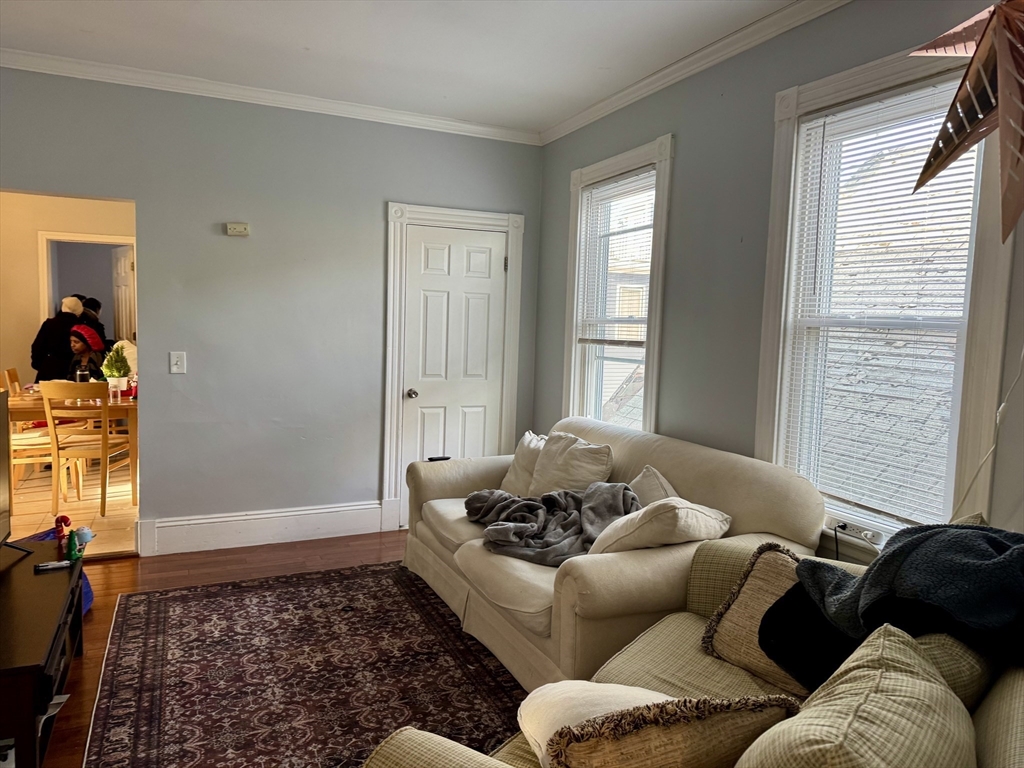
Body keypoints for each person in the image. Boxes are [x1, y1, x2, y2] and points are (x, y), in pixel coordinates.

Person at [31, 296, 83, 382]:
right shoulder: (81, 327)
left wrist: (40, 365)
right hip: (72, 369)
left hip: (49, 369)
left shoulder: (49, 324)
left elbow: (37, 346)